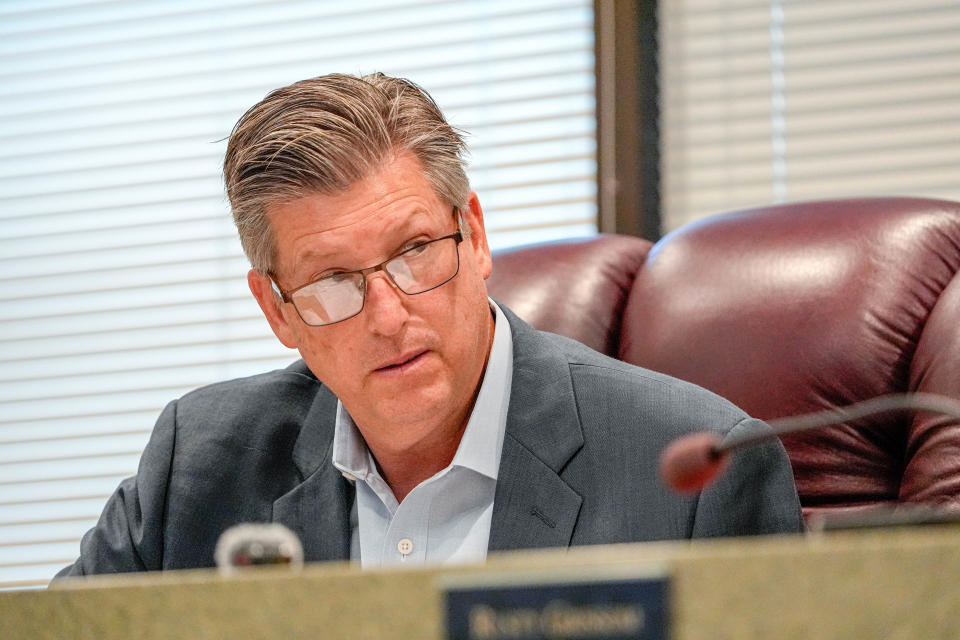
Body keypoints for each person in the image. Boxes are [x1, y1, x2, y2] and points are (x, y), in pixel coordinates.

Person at [57, 72, 802, 577]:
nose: (389, 314)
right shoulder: (198, 465)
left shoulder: (695, 471)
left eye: (415, 252)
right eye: (332, 283)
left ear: (474, 236)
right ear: (277, 310)